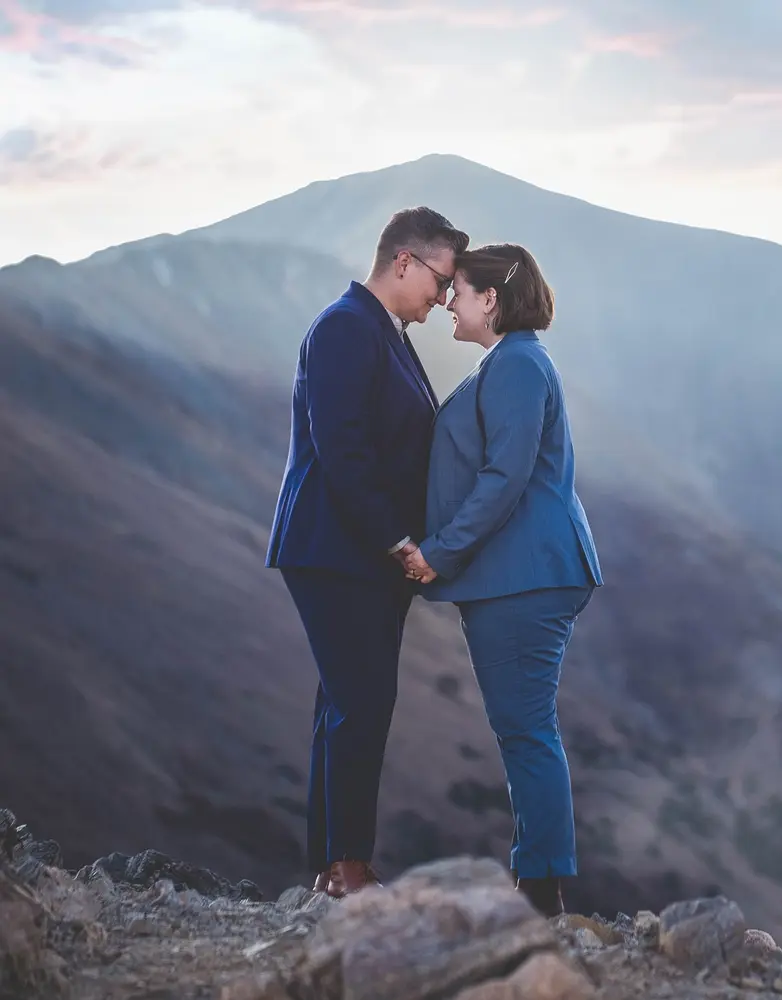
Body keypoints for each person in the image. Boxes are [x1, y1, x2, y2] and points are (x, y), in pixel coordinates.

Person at [265, 207, 469, 898]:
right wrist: (400, 541)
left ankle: (332, 865)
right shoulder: (346, 326)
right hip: (336, 548)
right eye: (441, 281)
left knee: (345, 703)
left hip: (356, 553)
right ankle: (348, 869)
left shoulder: (383, 332)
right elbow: (341, 447)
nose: (443, 299)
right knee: (362, 701)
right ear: (404, 261)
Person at [403, 243, 602, 917]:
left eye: (458, 290)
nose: (449, 302)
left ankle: (541, 891)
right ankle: (538, 881)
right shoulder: (514, 362)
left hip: (525, 576)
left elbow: (504, 478)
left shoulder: (516, 366)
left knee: (525, 730)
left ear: (491, 298)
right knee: (523, 726)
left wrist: (440, 552)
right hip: (524, 572)